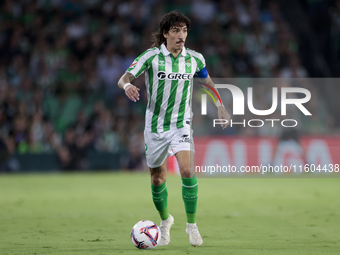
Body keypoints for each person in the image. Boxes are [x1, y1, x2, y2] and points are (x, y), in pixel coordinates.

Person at [117, 11, 231, 247]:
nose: (182, 35)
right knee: (158, 179)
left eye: (185, 30)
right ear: (166, 33)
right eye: (177, 30)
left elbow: (207, 84)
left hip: (182, 124)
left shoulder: (195, 59)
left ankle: (192, 226)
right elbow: (124, 77)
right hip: (155, 126)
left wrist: (220, 105)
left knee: (187, 171)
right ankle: (165, 221)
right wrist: (127, 85)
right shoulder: (151, 57)